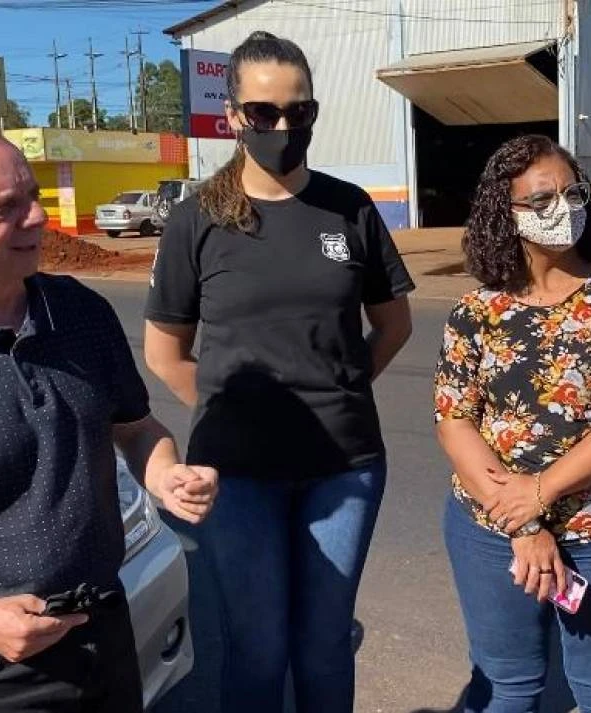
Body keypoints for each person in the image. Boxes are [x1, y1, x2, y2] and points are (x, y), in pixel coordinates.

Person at [0, 111, 218, 713]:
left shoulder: (80, 312)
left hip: (105, 625)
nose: (38, 218)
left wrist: (166, 473)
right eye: (4, 209)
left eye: (33, 197)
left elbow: (135, 428)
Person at [143, 31, 415, 713]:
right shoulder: (197, 219)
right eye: (264, 112)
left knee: (323, 645)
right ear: (233, 115)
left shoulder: (350, 208)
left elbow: (393, 325)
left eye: (300, 111)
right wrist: (230, 411)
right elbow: (165, 352)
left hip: (344, 469)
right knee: (257, 647)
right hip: (236, 475)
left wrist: (343, 388)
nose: (284, 127)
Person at [433, 134, 591, 713]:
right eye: (541, 200)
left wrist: (542, 490)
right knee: (505, 684)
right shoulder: (476, 311)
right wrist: (522, 521)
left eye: (572, 194)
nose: (561, 209)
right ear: (505, 212)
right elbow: (455, 418)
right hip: (493, 527)